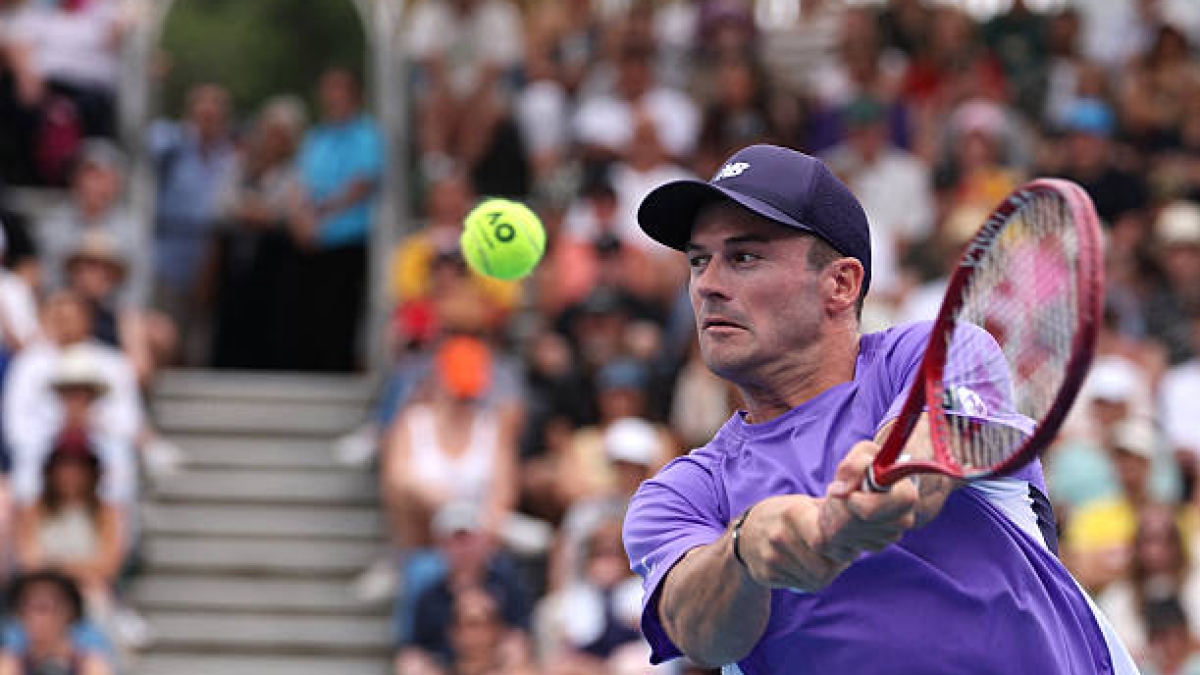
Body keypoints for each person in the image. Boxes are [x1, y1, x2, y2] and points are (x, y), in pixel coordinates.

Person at [622, 144, 1138, 673]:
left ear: (841, 283)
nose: (708, 284)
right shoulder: (681, 491)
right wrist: (744, 549)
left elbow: (928, 454)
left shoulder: (930, 352)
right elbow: (698, 632)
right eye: (698, 261)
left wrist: (881, 486)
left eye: (744, 256)